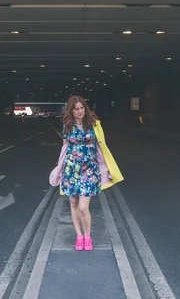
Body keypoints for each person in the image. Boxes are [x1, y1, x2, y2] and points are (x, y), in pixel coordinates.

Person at [52, 95, 123, 251]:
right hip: (71, 169)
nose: (80, 111)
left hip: (90, 170)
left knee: (83, 207)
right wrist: (60, 168)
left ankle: (88, 236)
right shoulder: (67, 126)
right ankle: (79, 236)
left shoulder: (94, 124)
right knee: (73, 203)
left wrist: (106, 167)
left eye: (82, 108)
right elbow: (64, 148)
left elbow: (102, 146)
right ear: (71, 111)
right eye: (76, 109)